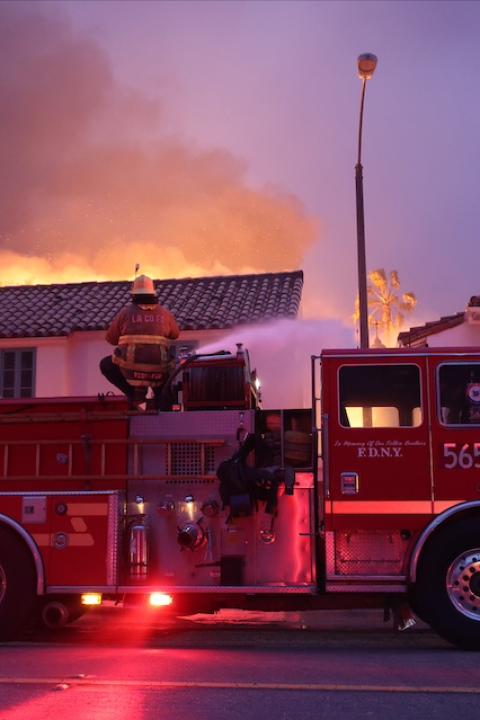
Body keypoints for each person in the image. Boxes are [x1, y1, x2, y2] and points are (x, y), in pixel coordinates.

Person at [100, 274, 180, 409]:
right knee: (165, 386)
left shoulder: (125, 313)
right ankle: (162, 403)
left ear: (134, 295)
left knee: (106, 364)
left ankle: (133, 396)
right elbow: (175, 335)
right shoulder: (165, 314)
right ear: (153, 294)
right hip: (159, 371)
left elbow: (111, 339)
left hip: (130, 372)